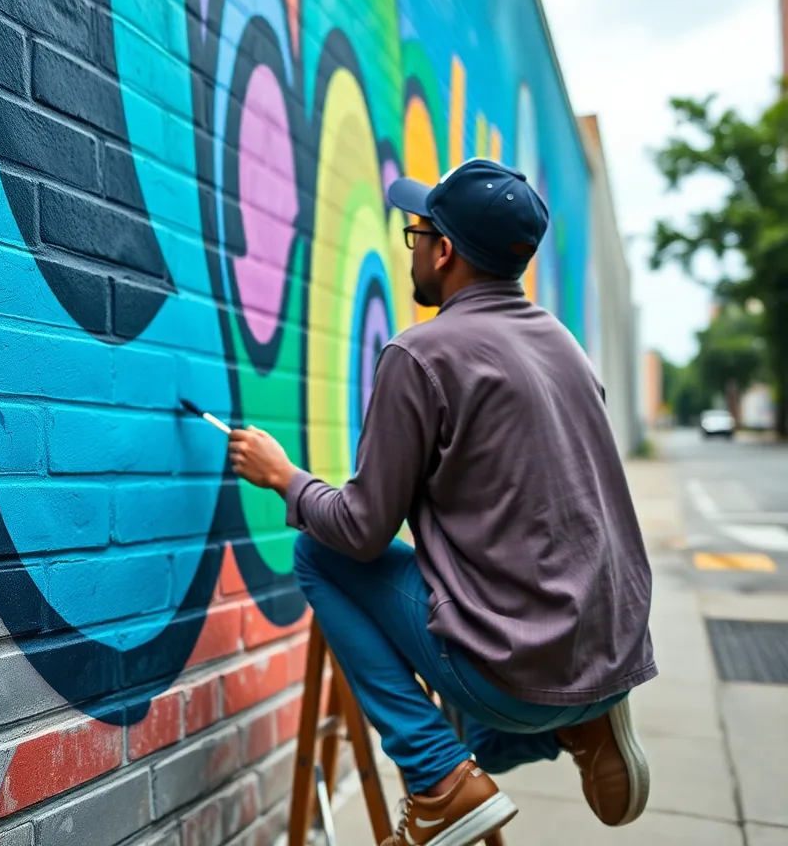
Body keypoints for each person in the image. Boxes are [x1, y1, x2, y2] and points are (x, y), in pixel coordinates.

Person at [227, 158, 656, 846]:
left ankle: (440, 783)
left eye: (416, 233)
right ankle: (584, 723)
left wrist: (285, 477)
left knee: (319, 552)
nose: (414, 248)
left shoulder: (421, 354)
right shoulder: (564, 346)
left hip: (522, 677)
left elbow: (360, 532)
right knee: (466, 627)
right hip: (610, 657)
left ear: (445, 250)